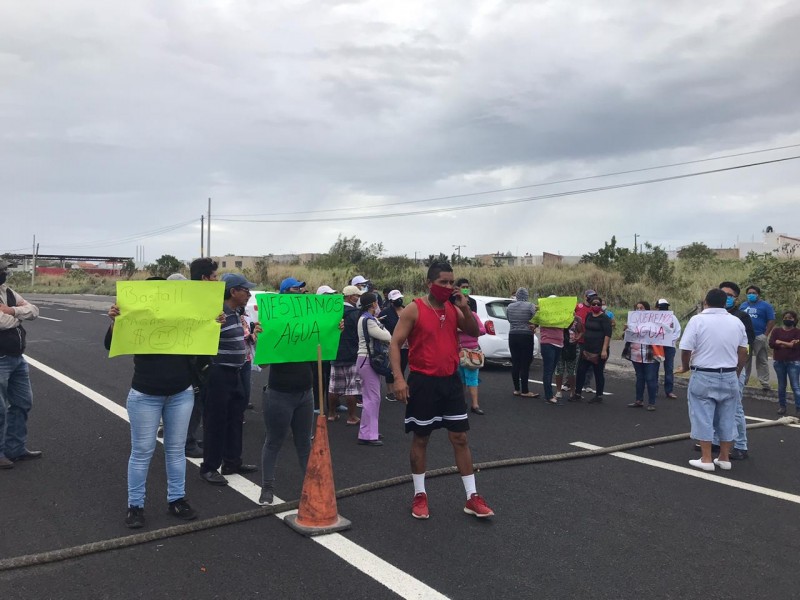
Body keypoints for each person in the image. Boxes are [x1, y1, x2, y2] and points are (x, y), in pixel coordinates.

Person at [390, 261, 494, 520]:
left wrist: (464, 309)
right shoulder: (414, 309)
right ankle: (419, 494)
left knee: (460, 438)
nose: (449, 287)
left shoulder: (454, 307)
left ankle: (472, 496)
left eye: (451, 282)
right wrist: (399, 379)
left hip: (450, 381)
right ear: (429, 284)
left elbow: (472, 331)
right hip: (423, 382)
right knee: (421, 438)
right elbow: (395, 342)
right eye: (443, 283)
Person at [105, 280, 199, 528]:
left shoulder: (183, 316)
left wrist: (215, 323)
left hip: (181, 393)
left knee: (176, 449)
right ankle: (135, 505)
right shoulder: (138, 318)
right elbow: (111, 345)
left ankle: (177, 498)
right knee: (142, 451)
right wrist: (116, 321)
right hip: (145, 394)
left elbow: (203, 341)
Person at [258, 279, 316, 505]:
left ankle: (310, 487)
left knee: (304, 442)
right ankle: (267, 487)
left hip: (305, 393)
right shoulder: (271, 323)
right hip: (279, 393)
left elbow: (324, 350)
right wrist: (261, 337)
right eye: (295, 289)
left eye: (303, 289)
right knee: (274, 440)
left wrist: (333, 328)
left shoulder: (309, 321)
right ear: (283, 294)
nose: (301, 292)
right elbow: (261, 364)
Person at [676, 288, 748, 472]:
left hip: (704, 373)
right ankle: (724, 457)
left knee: (703, 415)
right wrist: (737, 371)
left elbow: (685, 348)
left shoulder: (698, 320)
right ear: (726, 303)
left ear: (705, 301)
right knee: (728, 416)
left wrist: (685, 366)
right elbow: (743, 350)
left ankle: (706, 458)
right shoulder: (736, 321)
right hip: (730, 374)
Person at [198, 273, 260, 486]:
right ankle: (209, 467)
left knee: (235, 418)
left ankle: (232, 461)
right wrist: (212, 325)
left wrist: (254, 333)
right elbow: (200, 339)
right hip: (218, 374)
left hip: (236, 372)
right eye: (245, 290)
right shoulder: (216, 313)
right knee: (215, 422)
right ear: (233, 291)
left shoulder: (236, 312)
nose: (249, 294)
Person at [702, 281, 756, 461]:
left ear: (736, 298)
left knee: (735, 408)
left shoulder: (741, 317)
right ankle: (716, 441)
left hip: (733, 369)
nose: (726, 298)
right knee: (716, 408)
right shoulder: (709, 317)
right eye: (722, 295)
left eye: (729, 296)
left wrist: (739, 369)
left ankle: (741, 445)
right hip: (714, 369)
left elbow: (746, 345)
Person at [0, 259, 42, 470]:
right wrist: (17, 314)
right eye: (2, 270)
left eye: (5, 270)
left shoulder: (7, 292)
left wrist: (12, 311)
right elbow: (1, 322)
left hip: (17, 357)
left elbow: (34, 310)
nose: (5, 273)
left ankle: (15, 448)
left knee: (23, 402)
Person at [184, 257, 220, 459]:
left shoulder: (204, 298)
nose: (217, 280)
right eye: (214, 276)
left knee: (199, 401)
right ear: (205, 278)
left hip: (202, 356)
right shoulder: (193, 298)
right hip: (193, 359)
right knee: (194, 401)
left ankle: (189, 437)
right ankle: (187, 442)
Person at [356, 292, 392, 446]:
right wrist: (383, 328)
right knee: (372, 398)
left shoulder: (365, 318)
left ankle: (370, 431)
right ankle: (368, 434)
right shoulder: (369, 321)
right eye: (376, 302)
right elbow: (387, 336)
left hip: (365, 360)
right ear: (372, 304)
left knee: (371, 397)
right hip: (368, 360)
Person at [328, 285, 363, 425]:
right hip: (351, 353)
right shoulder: (356, 313)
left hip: (335, 352)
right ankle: (352, 416)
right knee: (351, 388)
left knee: (333, 386)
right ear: (350, 297)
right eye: (357, 296)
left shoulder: (333, 311)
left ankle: (331, 414)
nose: (358, 298)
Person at [572, 296, 612, 403]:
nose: (596, 306)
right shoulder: (589, 315)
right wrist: (579, 337)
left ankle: (599, 396)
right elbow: (585, 330)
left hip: (599, 350)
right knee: (581, 371)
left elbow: (608, 335)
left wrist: (604, 350)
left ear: (601, 306)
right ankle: (577, 393)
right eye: (594, 304)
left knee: (598, 372)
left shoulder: (605, 318)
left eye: (598, 304)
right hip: (587, 348)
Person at [456, 283, 486, 414]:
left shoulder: (473, 315)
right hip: (456, 351)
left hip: (471, 351)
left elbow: (482, 330)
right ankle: (460, 403)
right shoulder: (453, 315)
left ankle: (475, 405)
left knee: (472, 379)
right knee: (459, 379)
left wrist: (465, 329)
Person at [623, 301, 659, 411]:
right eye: (637, 308)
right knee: (640, 377)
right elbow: (625, 337)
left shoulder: (655, 322)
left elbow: (662, 335)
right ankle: (639, 400)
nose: (639, 310)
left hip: (650, 354)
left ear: (647, 310)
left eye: (642, 308)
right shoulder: (632, 322)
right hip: (636, 354)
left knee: (650, 378)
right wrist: (626, 330)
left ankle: (652, 402)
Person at [739, 285, 776, 390]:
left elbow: (771, 320)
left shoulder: (765, 306)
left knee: (762, 359)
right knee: (745, 359)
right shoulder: (743, 306)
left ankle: (764, 383)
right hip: (745, 338)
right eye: (749, 293)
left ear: (758, 294)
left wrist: (765, 335)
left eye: (753, 293)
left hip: (759, 337)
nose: (751, 295)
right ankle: (743, 381)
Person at [507, 287, 539, 398]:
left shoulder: (510, 306)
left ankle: (516, 389)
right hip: (526, 335)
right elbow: (536, 317)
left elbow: (509, 319)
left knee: (515, 362)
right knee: (525, 363)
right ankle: (525, 390)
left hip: (513, 335)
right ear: (526, 296)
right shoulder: (530, 305)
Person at [768, 310, 800, 415]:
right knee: (781, 385)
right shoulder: (776, 330)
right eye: (785, 318)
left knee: (795, 386)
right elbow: (772, 343)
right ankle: (782, 407)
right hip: (779, 362)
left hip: (793, 362)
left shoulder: (797, 332)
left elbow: (795, 346)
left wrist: (780, 342)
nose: (787, 320)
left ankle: (798, 408)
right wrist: (788, 344)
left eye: (790, 318)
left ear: (794, 320)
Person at [311, 285, 337, 413]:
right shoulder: (313, 311)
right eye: (328, 295)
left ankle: (333, 404)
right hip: (316, 350)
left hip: (329, 349)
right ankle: (316, 405)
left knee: (331, 378)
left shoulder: (333, 311)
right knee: (317, 378)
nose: (330, 297)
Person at [382, 289, 408, 402]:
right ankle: (390, 391)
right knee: (391, 368)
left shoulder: (406, 310)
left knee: (402, 366)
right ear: (391, 301)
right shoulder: (385, 313)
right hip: (392, 344)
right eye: (396, 299)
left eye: (400, 298)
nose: (399, 300)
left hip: (406, 345)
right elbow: (379, 325)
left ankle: (401, 389)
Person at [538, 295, 564, 405]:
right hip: (548, 343)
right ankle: (548, 396)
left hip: (559, 343)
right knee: (548, 370)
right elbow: (534, 323)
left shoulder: (561, 313)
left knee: (551, 369)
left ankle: (549, 394)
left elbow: (568, 325)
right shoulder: (543, 313)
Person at [655, 299, 681, 399]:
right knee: (654, 368)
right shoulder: (654, 318)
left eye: (665, 307)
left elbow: (677, 331)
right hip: (656, 347)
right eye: (661, 307)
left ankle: (669, 391)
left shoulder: (673, 317)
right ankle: (654, 390)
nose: (663, 309)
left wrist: (668, 340)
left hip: (669, 347)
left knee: (669, 369)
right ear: (657, 308)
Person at [554, 317, 582, 400]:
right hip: (560, 345)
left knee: (571, 370)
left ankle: (572, 391)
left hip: (572, 347)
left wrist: (577, 337)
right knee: (559, 369)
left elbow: (581, 331)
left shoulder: (576, 318)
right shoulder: (558, 317)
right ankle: (558, 391)